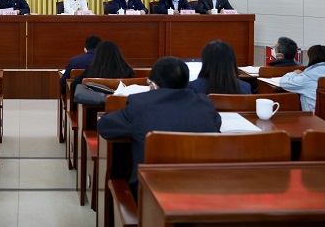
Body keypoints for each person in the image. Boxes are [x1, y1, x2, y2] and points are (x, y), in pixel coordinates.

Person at [97, 56, 221, 197]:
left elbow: (104, 127)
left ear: (154, 85)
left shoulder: (139, 104)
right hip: (201, 191)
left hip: (150, 195)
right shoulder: (205, 104)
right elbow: (216, 123)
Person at [279, 44, 325, 112]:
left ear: (311, 58)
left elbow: (283, 82)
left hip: (314, 117)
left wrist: (294, 73)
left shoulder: (307, 77)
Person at [70, 40, 134, 94]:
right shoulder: (128, 71)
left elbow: (73, 86)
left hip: (95, 103)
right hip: (121, 104)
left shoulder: (91, 70)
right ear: (118, 54)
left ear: (98, 54)